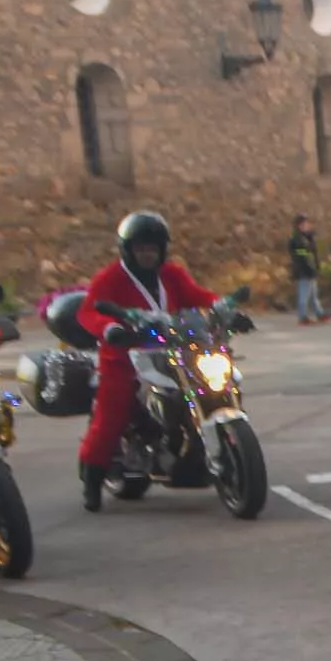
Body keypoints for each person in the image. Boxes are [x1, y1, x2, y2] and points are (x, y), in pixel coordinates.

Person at [77, 213, 220, 512]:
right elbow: (90, 311)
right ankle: (92, 477)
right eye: (141, 248)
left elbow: (198, 296)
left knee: (213, 383)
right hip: (125, 356)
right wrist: (109, 328)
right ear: (128, 249)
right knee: (112, 410)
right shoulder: (110, 277)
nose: (147, 253)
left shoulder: (172, 275)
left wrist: (222, 308)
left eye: (153, 248)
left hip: (176, 349)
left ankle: (202, 450)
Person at [288, 215, 323, 325]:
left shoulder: (307, 238)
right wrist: (310, 267)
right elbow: (302, 256)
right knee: (304, 295)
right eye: (303, 224)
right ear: (298, 226)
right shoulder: (297, 239)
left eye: (307, 224)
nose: (306, 226)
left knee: (313, 295)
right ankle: (302, 317)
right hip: (304, 271)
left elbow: (313, 253)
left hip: (310, 270)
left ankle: (319, 314)